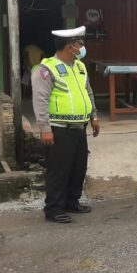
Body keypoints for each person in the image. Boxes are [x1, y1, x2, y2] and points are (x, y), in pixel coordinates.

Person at [31, 26, 101, 223]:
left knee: (78, 167)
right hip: (59, 129)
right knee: (58, 170)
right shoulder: (46, 69)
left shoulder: (79, 66)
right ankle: (53, 208)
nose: (82, 47)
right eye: (80, 44)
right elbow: (40, 101)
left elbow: (88, 92)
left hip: (80, 128)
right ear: (71, 47)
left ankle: (72, 201)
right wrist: (45, 129)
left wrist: (94, 116)